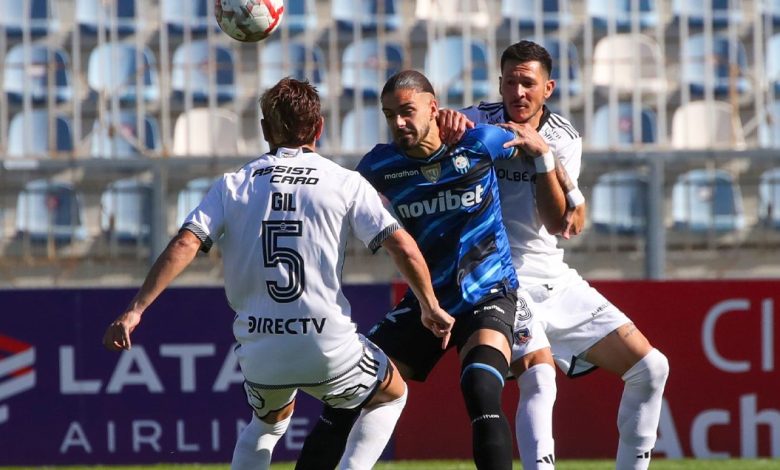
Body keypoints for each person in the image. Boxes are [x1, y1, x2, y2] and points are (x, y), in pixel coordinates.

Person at [102, 77, 454, 470]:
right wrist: (430, 305)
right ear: (319, 129)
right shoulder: (344, 182)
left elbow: (185, 243)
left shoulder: (232, 185)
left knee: (266, 425)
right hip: (327, 345)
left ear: (265, 129)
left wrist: (135, 310)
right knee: (390, 394)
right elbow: (402, 245)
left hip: (261, 347)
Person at [296, 70, 563, 470]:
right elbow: (335, 200)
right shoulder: (380, 166)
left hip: (489, 293)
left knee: (480, 387)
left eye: (407, 111)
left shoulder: (480, 142)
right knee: (349, 393)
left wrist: (555, 172)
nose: (399, 123)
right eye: (390, 115)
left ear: (433, 108)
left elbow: (534, 141)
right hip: (426, 302)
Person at [438, 40, 670, 470]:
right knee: (540, 378)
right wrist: (443, 121)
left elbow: (557, 222)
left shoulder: (563, 138)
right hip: (499, 278)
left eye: (528, 83)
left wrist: (541, 155)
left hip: (553, 277)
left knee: (651, 368)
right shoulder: (476, 121)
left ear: (549, 88)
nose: (518, 92)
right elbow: (425, 133)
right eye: (510, 82)